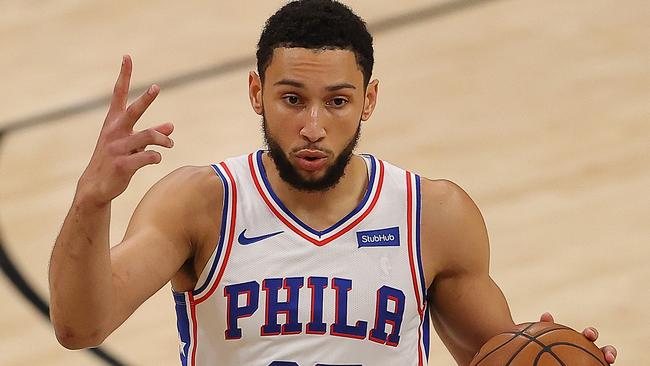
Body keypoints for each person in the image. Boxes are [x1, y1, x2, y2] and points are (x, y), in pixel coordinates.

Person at [48, 1, 617, 365]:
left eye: (338, 101)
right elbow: (80, 326)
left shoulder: (433, 215)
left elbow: (491, 354)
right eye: (292, 99)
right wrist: (91, 201)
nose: (313, 127)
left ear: (369, 99)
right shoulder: (200, 204)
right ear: (256, 93)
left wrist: (551, 354)